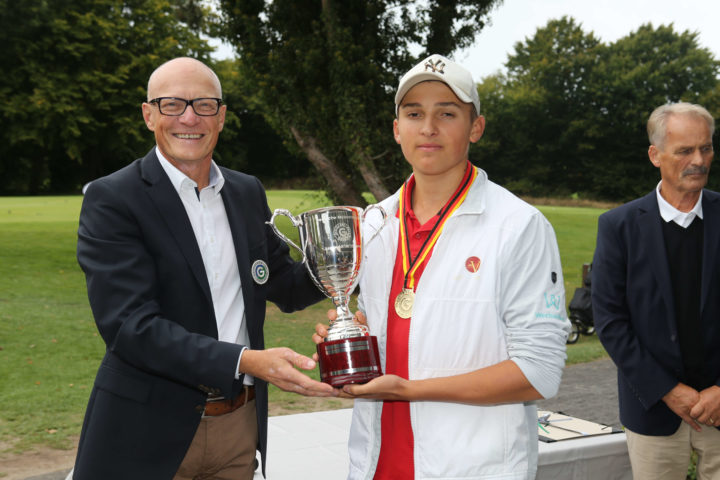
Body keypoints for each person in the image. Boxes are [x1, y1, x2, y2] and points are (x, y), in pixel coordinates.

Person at [72, 57, 335, 480]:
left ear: (222, 116)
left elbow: (284, 284)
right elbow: (131, 328)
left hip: (238, 428)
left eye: (204, 105)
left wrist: (346, 256)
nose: (190, 117)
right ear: (149, 114)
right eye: (172, 104)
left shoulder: (246, 192)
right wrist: (246, 361)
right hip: (147, 433)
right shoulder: (114, 199)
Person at [314, 54, 570, 479]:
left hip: (471, 466)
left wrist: (407, 391)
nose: (428, 127)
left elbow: (538, 372)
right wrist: (350, 341)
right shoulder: (373, 222)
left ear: (476, 127)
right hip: (376, 461)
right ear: (397, 129)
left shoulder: (519, 226)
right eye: (414, 114)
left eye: (447, 113)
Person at [592, 102, 720, 479]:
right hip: (652, 410)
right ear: (655, 155)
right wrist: (667, 389)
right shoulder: (618, 226)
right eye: (685, 150)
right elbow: (611, 322)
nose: (699, 160)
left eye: (707, 147)